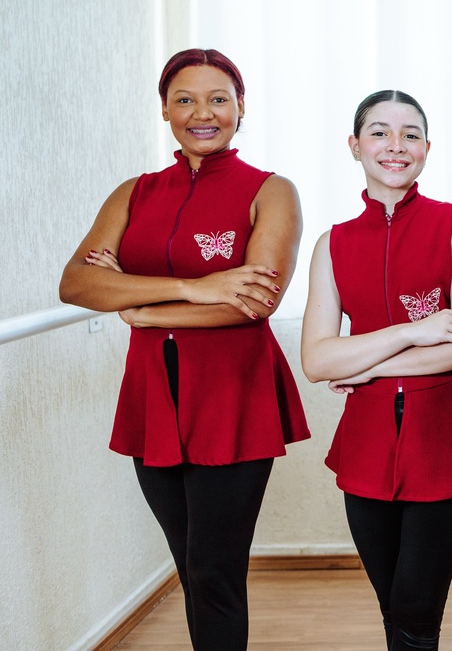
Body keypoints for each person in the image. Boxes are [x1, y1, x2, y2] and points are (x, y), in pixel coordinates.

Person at [58, 48, 309, 650]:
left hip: (234, 396)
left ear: (241, 109)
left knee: (213, 570)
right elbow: (77, 283)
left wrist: (139, 306)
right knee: (189, 564)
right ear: (165, 110)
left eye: (219, 98)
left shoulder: (271, 191)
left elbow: (254, 301)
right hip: (153, 397)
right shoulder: (134, 193)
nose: (204, 112)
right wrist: (194, 286)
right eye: (186, 99)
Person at [300, 90, 452, 651]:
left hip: (447, 443)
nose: (396, 145)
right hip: (366, 450)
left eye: (411, 134)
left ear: (428, 150)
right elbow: (317, 360)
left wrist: (363, 364)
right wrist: (413, 331)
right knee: (394, 608)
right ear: (355, 145)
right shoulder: (331, 244)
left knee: (415, 606)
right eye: (380, 132)